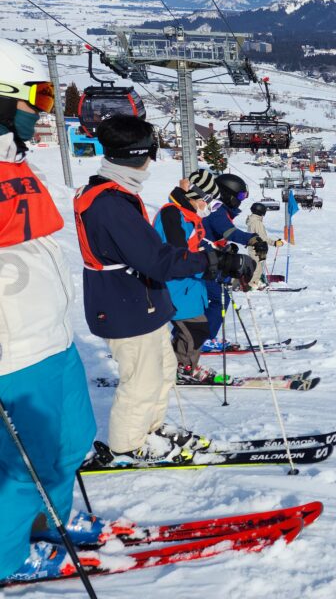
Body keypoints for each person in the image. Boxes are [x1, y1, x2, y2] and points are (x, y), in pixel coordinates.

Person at [73, 116, 254, 464]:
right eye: (150, 154)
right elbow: (157, 260)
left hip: (141, 301)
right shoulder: (109, 203)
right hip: (123, 303)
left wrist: (213, 259)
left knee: (163, 368)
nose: (151, 164)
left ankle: (150, 428)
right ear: (140, 155)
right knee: (141, 379)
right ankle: (126, 445)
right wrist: (214, 262)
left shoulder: (116, 194)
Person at [0, 40, 104, 582]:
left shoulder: (14, 163)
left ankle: (50, 524)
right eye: (33, 96)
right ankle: (7, 556)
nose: (42, 109)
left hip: (54, 337)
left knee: (72, 440)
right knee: (25, 465)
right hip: (13, 351)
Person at [151, 169, 223, 383]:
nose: (210, 210)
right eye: (212, 204)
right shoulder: (172, 215)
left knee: (195, 331)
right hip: (175, 286)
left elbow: (195, 246)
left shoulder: (187, 215)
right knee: (195, 330)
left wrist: (217, 257)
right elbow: (179, 257)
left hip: (189, 286)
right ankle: (183, 368)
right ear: (198, 198)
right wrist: (208, 265)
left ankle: (178, 365)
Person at [202, 173, 267, 340]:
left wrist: (225, 247)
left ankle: (199, 338)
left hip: (208, 260)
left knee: (216, 299)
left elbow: (213, 235)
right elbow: (228, 231)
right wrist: (251, 239)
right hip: (202, 263)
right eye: (239, 196)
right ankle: (204, 338)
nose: (241, 200)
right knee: (217, 300)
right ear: (226, 193)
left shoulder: (218, 209)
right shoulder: (216, 209)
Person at [245, 201, 283, 289]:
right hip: (257, 248)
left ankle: (255, 282)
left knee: (257, 266)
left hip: (254, 247)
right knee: (257, 267)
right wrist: (274, 243)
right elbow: (262, 237)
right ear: (260, 212)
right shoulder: (257, 223)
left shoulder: (253, 220)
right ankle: (252, 285)